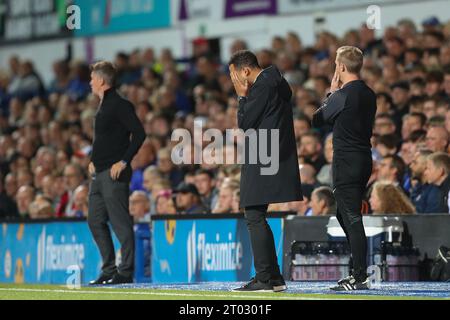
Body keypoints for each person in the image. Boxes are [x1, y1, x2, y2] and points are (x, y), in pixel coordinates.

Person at [229, 50, 302, 292]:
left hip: (263, 154)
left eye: (234, 75)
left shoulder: (260, 87)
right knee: (257, 214)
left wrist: (241, 97)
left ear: (245, 71)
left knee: (253, 215)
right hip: (271, 153)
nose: (234, 81)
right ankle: (274, 278)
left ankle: (264, 279)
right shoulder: (276, 82)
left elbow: (245, 123)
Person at [312, 46, 376, 291]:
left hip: (346, 161)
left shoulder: (342, 95)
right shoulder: (369, 94)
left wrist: (332, 92)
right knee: (344, 214)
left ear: (340, 67)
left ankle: (359, 276)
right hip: (363, 158)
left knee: (350, 216)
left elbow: (317, 119)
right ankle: (357, 271)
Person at [87, 61, 146, 285]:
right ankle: (109, 269)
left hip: (113, 175)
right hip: (99, 174)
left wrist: (124, 161)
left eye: (92, 79)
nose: (90, 83)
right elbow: (104, 139)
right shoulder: (104, 104)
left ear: (101, 80)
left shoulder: (120, 104)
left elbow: (139, 134)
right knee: (95, 220)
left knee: (120, 224)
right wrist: (93, 160)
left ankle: (125, 271)